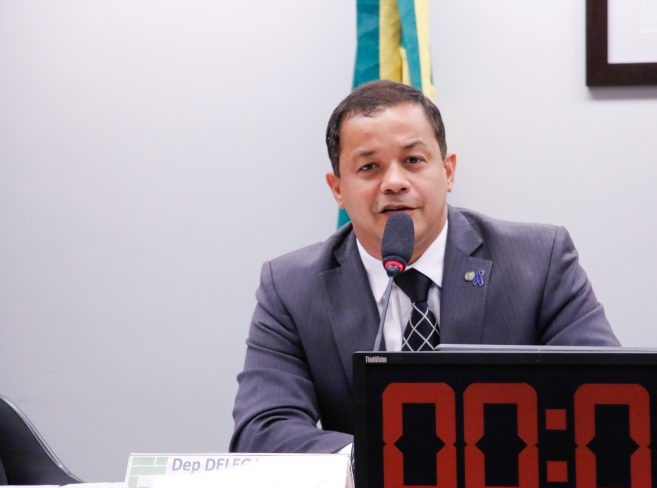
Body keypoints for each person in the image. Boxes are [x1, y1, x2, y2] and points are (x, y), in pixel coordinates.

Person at [230, 80, 619, 454]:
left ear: (447, 171)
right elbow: (263, 430)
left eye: (413, 160)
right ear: (338, 189)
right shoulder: (290, 288)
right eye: (369, 167)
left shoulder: (538, 261)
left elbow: (608, 402)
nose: (394, 182)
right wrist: (382, 464)